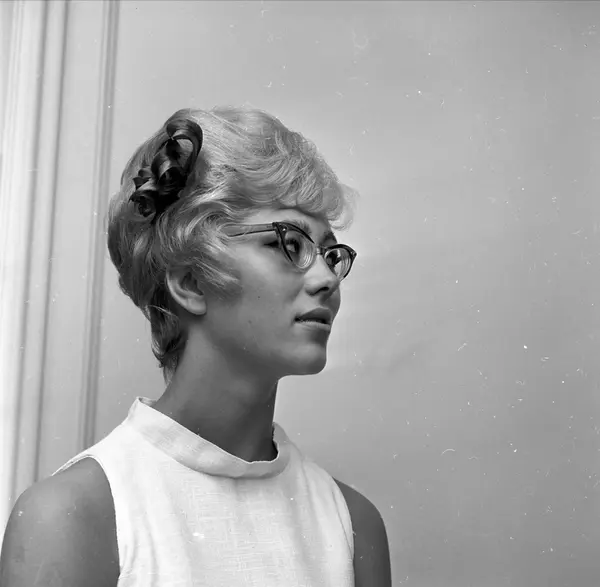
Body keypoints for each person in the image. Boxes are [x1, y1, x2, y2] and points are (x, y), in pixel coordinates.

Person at [0, 106, 392, 586]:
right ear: (190, 282)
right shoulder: (72, 518)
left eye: (331, 254)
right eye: (290, 244)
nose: (327, 278)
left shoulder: (352, 526)